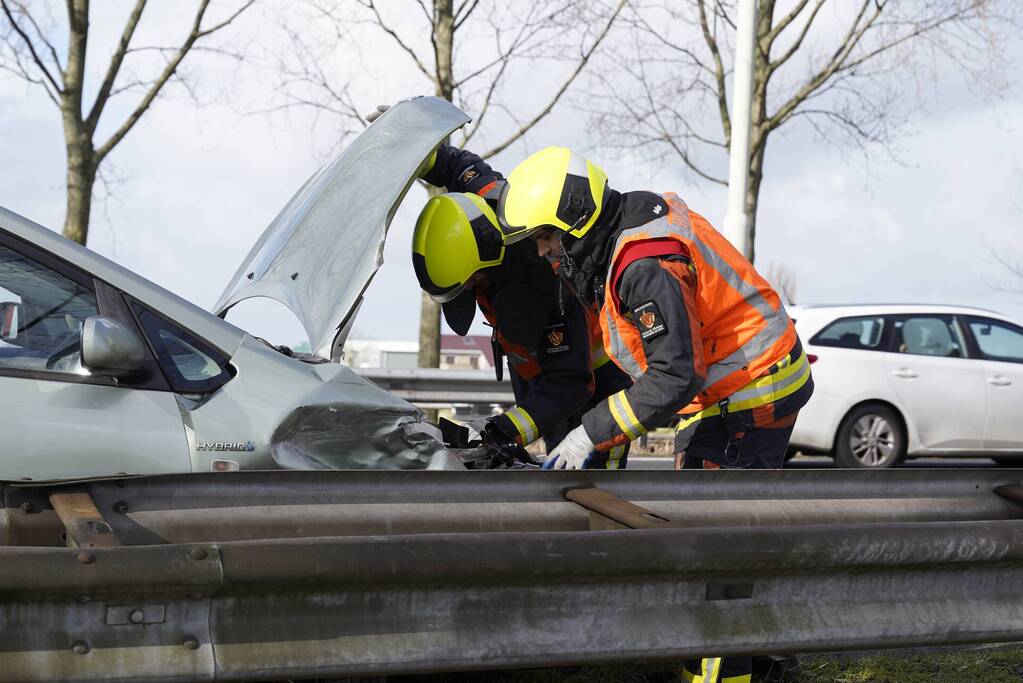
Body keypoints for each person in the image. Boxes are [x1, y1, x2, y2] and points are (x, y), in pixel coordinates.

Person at [494, 146, 813, 682]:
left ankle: (723, 673)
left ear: (573, 222)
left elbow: (673, 374)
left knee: (713, 552)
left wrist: (587, 434)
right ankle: (767, 657)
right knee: (728, 538)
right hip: (737, 387)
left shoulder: (641, 267)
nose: (545, 252)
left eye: (546, 238)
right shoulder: (630, 223)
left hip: (748, 392)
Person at [413, 145, 632, 465]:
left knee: (590, 482)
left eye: (473, 284)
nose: (473, 292)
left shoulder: (546, 287)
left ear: (484, 265)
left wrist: (502, 430)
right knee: (551, 469)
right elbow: (458, 166)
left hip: (598, 385)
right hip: (541, 373)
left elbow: (569, 384)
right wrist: (416, 149)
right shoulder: (483, 205)